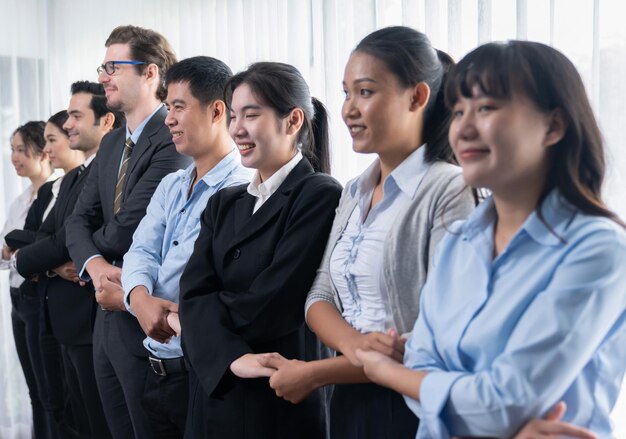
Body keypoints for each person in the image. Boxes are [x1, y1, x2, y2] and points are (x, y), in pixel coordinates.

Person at [355, 40, 626, 439]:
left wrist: (391, 375)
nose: (462, 128)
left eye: (485, 108)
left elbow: (504, 402)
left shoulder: (598, 249)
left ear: (553, 126)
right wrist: (444, 391)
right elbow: (428, 364)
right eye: (459, 110)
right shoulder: (462, 241)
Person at [254, 26, 474, 439]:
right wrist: (355, 350)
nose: (349, 110)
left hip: (414, 402)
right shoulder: (354, 189)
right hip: (349, 396)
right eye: (346, 93)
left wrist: (318, 371)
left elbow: (440, 332)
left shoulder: (449, 188)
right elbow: (320, 292)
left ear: (417, 97)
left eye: (366, 92)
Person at [178, 61, 342, 438]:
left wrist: (203, 329)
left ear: (293, 120)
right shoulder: (224, 202)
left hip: (274, 396)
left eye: (251, 115)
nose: (237, 128)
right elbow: (192, 291)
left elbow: (275, 301)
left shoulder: (318, 194)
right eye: (234, 116)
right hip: (213, 390)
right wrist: (230, 357)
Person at [65, 25, 188, 438]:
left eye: (113, 66)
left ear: (150, 73)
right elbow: (76, 220)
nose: (103, 77)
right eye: (103, 66)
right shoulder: (114, 140)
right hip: (104, 308)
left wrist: (94, 256)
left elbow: (129, 228)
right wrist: (96, 264)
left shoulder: (172, 137)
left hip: (144, 311)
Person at [119, 56, 251, 438]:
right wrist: (140, 299)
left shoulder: (241, 189)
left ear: (216, 111)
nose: (168, 119)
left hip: (201, 370)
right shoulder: (172, 185)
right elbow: (139, 252)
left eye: (178, 107)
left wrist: (135, 296)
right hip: (154, 365)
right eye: (168, 108)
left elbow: (204, 280)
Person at [16, 81, 123, 439]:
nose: (69, 125)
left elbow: (68, 237)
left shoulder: (105, 172)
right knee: (74, 416)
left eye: (76, 116)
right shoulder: (76, 176)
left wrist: (22, 260)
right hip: (64, 317)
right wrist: (52, 259)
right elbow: (50, 236)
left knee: (98, 423)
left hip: (88, 316)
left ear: (106, 122)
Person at [1, 120, 58, 438]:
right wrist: (18, 249)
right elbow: (4, 252)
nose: (14, 157)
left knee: (50, 390)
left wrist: (18, 249)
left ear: (42, 150)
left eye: (21, 149)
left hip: (39, 298)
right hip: (17, 299)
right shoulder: (20, 200)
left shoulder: (57, 191)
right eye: (12, 150)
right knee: (33, 390)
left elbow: (40, 247)